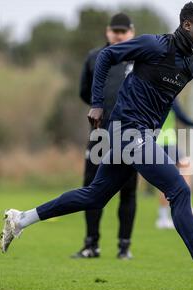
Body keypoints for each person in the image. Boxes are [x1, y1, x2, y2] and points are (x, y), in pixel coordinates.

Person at [0, 2, 193, 290]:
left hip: (136, 135)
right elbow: (106, 55)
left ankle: (21, 219)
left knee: (95, 196)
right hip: (127, 130)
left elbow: (160, 101)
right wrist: (97, 103)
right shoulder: (153, 45)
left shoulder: (191, 65)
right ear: (187, 25)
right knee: (179, 189)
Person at [75, 13, 137, 260]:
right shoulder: (95, 57)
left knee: (128, 190)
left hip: (130, 133)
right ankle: (91, 244)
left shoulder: (138, 57)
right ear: (107, 31)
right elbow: (84, 92)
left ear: (132, 32)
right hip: (100, 134)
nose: (119, 35)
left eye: (123, 31)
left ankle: (124, 247)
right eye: (115, 31)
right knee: (91, 187)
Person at [155, 99, 193, 229]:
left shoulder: (152, 92)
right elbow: (181, 115)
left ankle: (178, 211)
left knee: (179, 171)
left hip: (162, 142)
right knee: (175, 173)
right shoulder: (168, 93)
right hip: (164, 142)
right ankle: (172, 213)